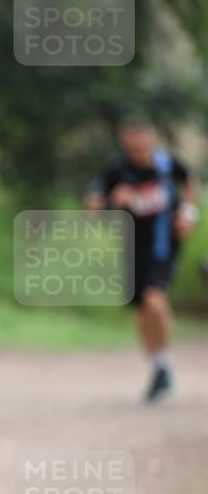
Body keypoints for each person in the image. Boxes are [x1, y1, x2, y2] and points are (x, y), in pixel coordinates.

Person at [85, 120, 199, 402]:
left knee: (155, 302)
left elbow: (190, 182)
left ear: (152, 142)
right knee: (143, 312)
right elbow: (94, 207)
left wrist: (188, 213)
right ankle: (160, 366)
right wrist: (111, 201)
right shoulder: (117, 169)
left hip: (163, 246)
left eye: (142, 147)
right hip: (131, 249)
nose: (138, 153)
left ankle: (162, 366)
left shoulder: (168, 164)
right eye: (132, 149)